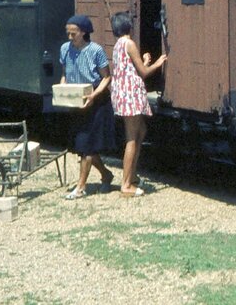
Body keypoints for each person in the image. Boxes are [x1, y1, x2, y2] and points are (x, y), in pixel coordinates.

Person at [109, 11, 167, 197]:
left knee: (141, 132)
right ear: (129, 26)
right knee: (132, 138)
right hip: (130, 95)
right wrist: (157, 63)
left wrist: (142, 61)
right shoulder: (130, 43)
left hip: (123, 93)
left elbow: (129, 68)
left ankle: (132, 176)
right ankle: (126, 185)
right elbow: (143, 73)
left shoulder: (118, 45)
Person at [59, 14, 115, 199]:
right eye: (68, 33)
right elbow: (65, 73)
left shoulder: (95, 50)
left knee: (87, 145)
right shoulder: (65, 49)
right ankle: (106, 175)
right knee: (81, 145)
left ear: (83, 33)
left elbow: (106, 77)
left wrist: (94, 95)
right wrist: (62, 87)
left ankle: (81, 187)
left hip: (96, 102)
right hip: (75, 101)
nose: (70, 37)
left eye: (73, 33)